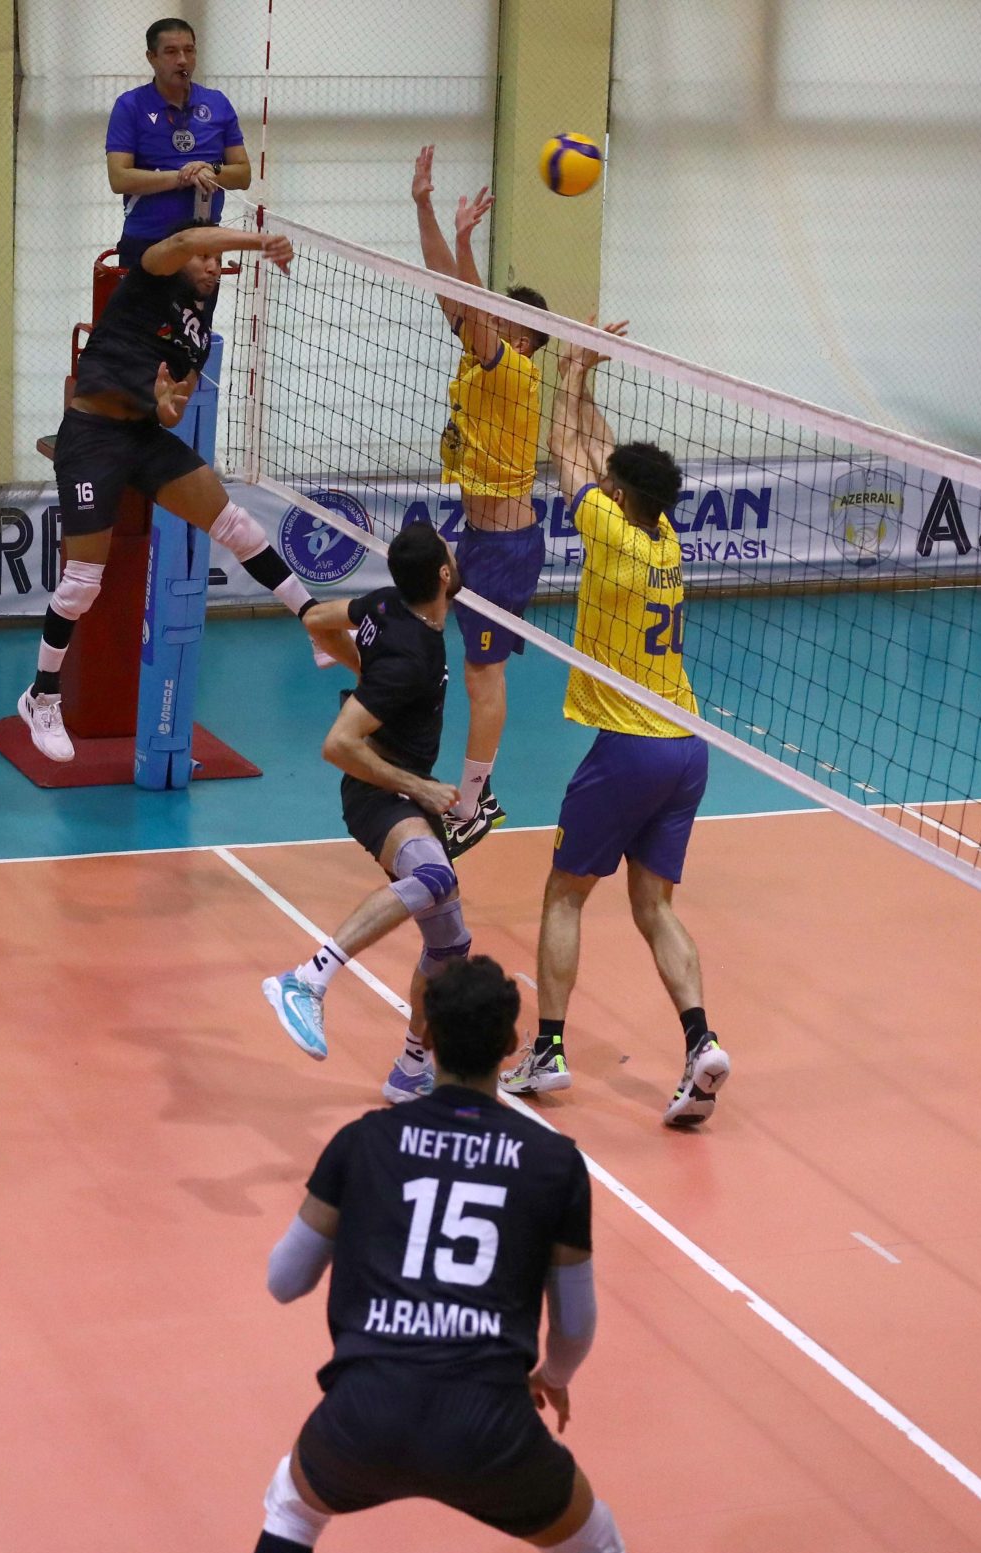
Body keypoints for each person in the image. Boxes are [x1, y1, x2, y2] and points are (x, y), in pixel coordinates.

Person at [188, 957, 676, 1553]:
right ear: (511, 1043)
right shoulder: (555, 1162)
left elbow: (284, 1281)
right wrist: (551, 1377)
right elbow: (577, 1323)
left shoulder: (362, 1142)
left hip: (365, 1414)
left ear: (426, 1033)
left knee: (293, 1509)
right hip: (490, 1426)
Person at [500, 323, 730, 1129]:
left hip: (630, 751)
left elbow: (565, 448)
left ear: (619, 498)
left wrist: (567, 370)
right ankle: (701, 1043)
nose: (601, 480)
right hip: (688, 747)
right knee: (654, 906)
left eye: (610, 483)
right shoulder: (665, 538)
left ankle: (548, 1052)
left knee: (565, 896)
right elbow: (605, 454)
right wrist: (590, 380)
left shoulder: (607, 530)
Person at [17, 223, 320, 763]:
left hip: (142, 436)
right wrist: (261, 242)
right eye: (206, 258)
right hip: (91, 436)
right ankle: (41, 696)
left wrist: (167, 407)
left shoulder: (198, 332)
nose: (212, 266)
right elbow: (182, 243)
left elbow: (171, 410)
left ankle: (314, 619)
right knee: (82, 584)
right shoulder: (150, 277)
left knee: (237, 526)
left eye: (217, 262)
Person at [261, 524, 469, 1102]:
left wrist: (364, 671)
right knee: (433, 877)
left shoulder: (384, 603)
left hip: (400, 784)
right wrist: (421, 788)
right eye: (450, 552)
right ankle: (307, 980)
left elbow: (316, 621)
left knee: (450, 945)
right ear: (444, 576)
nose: (455, 554)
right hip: (379, 789)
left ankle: (411, 1069)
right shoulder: (412, 656)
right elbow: (337, 746)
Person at [409, 145, 552, 856]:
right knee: (433, 631)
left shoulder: (515, 371)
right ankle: (463, 782)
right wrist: (425, 207)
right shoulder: (479, 357)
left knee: (481, 673)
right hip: (479, 535)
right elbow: (450, 290)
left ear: (520, 335)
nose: (477, 317)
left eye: (497, 315)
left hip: (505, 547)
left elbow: (470, 303)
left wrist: (470, 243)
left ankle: (473, 802)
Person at [107, 18, 250, 261]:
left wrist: (211, 170)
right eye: (171, 52)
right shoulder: (130, 106)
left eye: (189, 50)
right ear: (152, 57)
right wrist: (183, 177)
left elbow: (243, 175)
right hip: (147, 241)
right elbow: (119, 178)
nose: (182, 60)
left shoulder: (217, 103)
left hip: (203, 241)